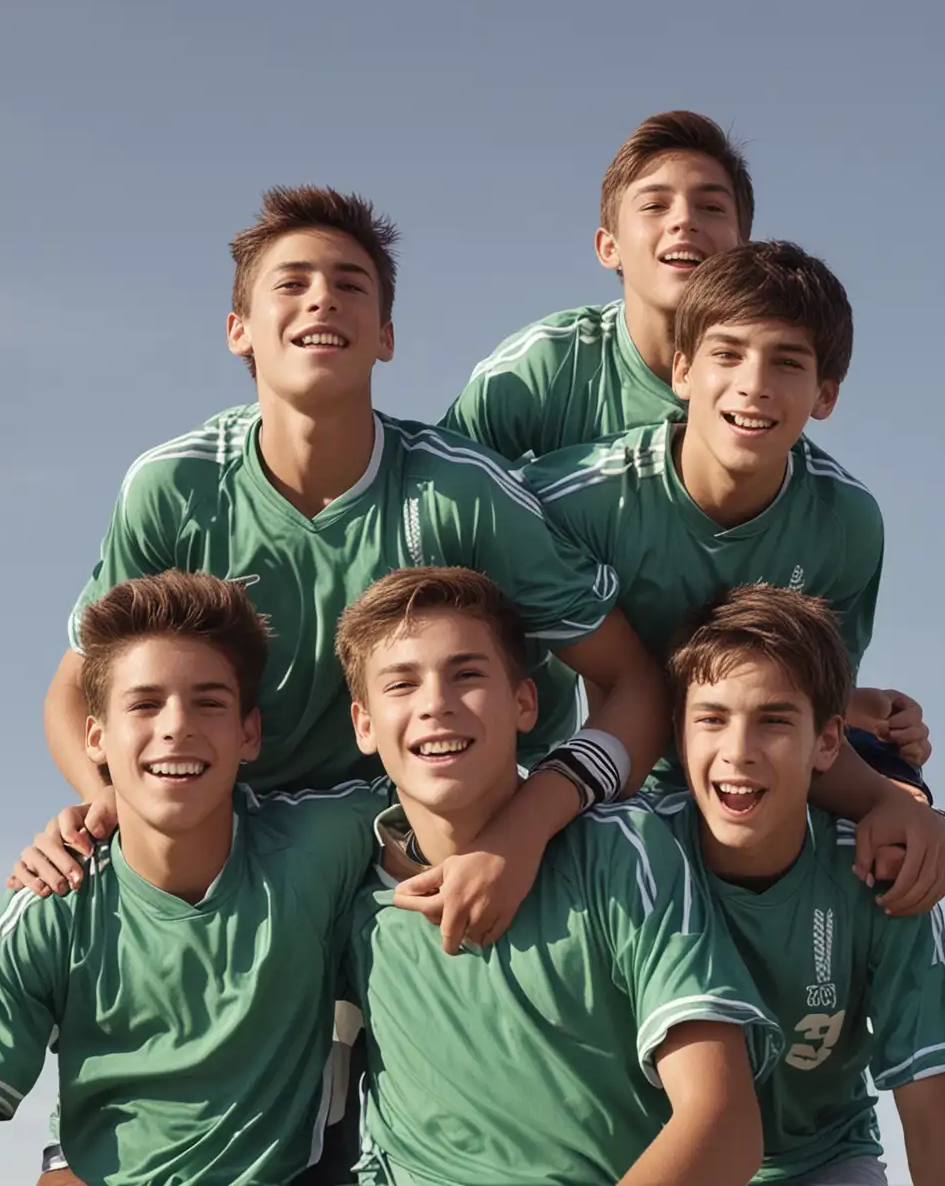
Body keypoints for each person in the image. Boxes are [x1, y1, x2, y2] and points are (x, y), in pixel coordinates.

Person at [41, 183, 672, 950]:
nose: (322, 302)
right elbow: (77, 689)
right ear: (239, 330)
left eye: (350, 287)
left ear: (386, 336)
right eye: (293, 283)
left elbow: (635, 681)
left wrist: (523, 833)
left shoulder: (460, 491)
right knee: (60, 899)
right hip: (248, 851)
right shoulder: (173, 487)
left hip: (441, 850)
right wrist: (102, 799)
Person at [0, 573, 387, 1186]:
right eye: (145, 704)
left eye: (210, 702)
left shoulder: (320, 844)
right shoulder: (51, 902)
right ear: (96, 737)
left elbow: (449, 779)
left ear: (248, 733)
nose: (177, 726)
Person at [336, 567, 779, 1185]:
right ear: (363, 724)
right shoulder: (351, 892)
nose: (435, 704)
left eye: (466, 675)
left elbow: (725, 1123)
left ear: (525, 703)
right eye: (401, 685)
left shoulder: (621, 851)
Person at [524, 241, 930, 800]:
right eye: (728, 354)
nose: (754, 383)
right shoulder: (573, 501)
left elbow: (816, 708)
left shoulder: (845, 525)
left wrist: (882, 766)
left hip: (748, 773)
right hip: (597, 769)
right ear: (683, 370)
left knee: (907, 820)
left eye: (787, 362)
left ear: (825, 395)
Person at [653, 585, 945, 1186]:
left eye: (774, 721)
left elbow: (941, 1134)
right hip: (658, 1160)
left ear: (827, 742)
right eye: (712, 718)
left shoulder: (882, 875)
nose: (739, 752)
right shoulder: (633, 858)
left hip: (821, 1161)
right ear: (679, 733)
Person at [442, 109, 753, 461]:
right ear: (609, 247)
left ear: (742, 247)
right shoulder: (548, 364)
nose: (684, 220)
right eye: (654, 205)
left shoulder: (766, 382)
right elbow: (433, 492)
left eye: (712, 207)